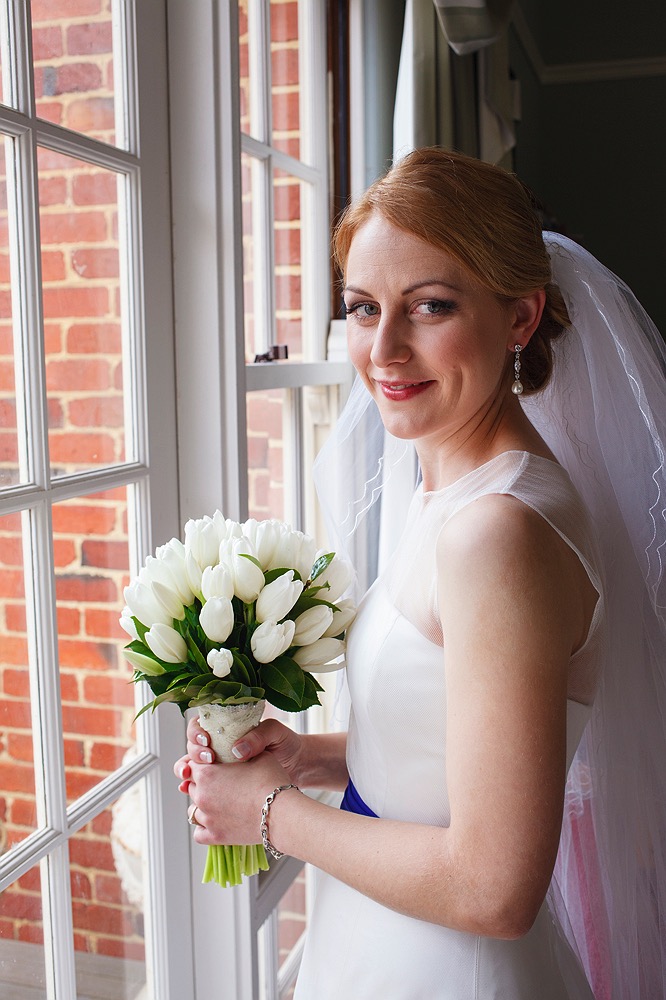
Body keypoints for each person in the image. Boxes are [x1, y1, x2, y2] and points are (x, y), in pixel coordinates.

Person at [175, 149, 666, 999]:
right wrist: (307, 758)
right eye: (364, 309)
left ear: (520, 318)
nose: (386, 349)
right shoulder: (451, 484)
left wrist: (266, 814)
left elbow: (494, 887)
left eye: (431, 305)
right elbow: (447, 749)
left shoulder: (496, 533)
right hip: (381, 951)